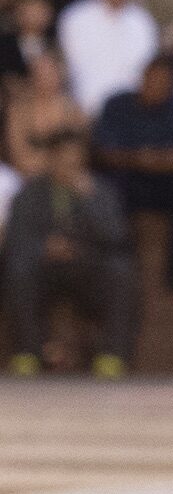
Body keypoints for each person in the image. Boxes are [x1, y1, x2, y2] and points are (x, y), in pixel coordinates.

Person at [3, 129, 139, 377]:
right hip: (44, 268)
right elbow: (17, 239)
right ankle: (28, 353)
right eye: (62, 156)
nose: (69, 162)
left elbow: (117, 237)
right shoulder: (30, 193)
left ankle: (112, 356)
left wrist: (89, 199)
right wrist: (44, 247)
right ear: (51, 158)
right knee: (19, 268)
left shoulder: (100, 191)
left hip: (87, 266)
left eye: (74, 156)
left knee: (121, 270)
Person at [91, 52, 173, 293]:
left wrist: (146, 159)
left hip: (166, 184)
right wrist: (143, 158)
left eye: (164, 83)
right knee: (109, 188)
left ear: (172, 86)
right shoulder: (117, 104)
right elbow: (106, 153)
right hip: (126, 180)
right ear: (142, 79)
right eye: (152, 81)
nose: (156, 87)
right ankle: (119, 269)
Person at [56, 0, 157, 117]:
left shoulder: (142, 21)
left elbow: (148, 72)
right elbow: (72, 69)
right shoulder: (75, 17)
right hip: (87, 111)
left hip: (135, 112)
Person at [4, 50, 86, 181]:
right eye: (40, 73)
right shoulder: (19, 112)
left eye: (50, 72)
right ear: (31, 76)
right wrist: (55, 164)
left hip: (71, 178)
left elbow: (79, 154)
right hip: (30, 180)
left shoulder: (73, 111)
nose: (45, 78)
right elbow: (20, 158)